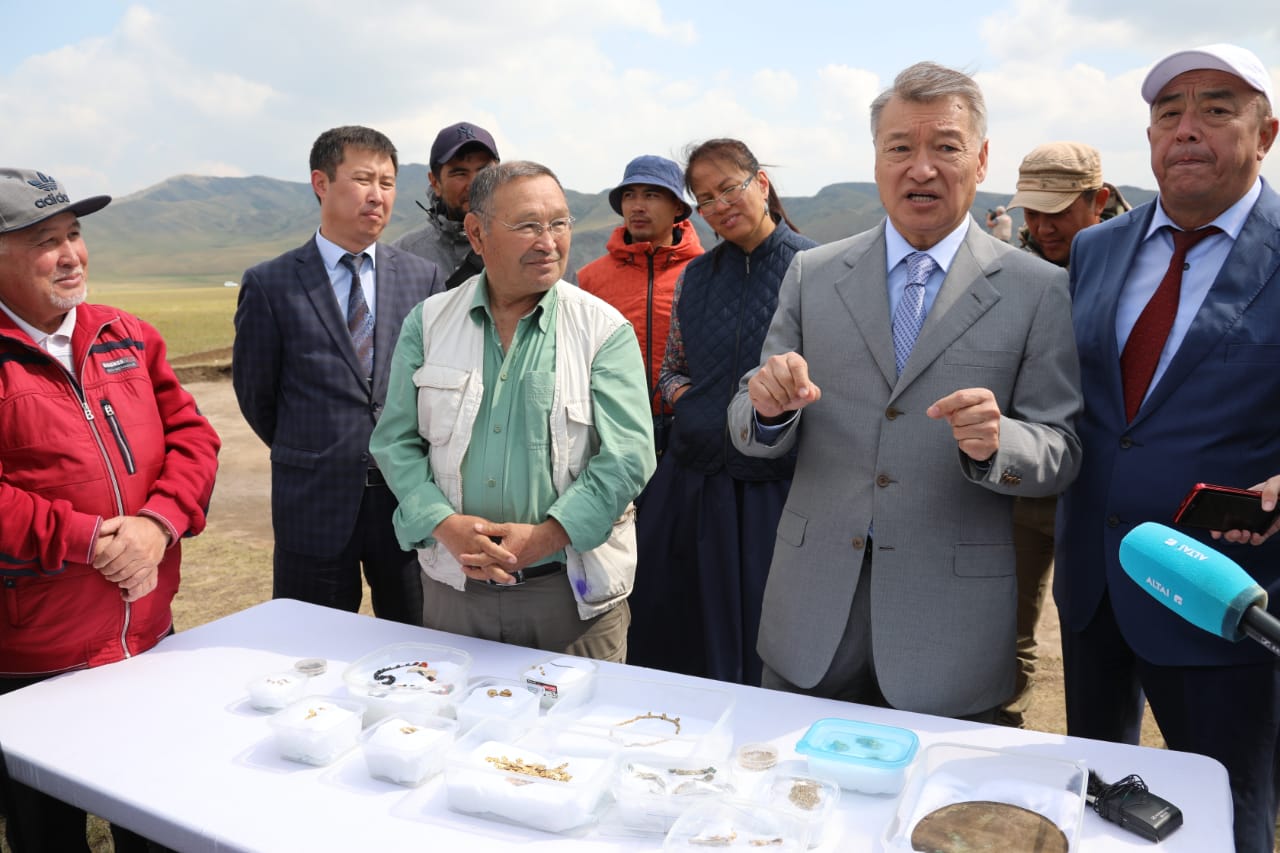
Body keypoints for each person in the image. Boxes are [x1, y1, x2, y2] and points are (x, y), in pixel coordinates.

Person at [726, 62, 1083, 720]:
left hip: (949, 629)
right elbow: (750, 419)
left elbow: (1060, 450)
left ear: (981, 160)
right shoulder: (813, 274)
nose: (921, 168)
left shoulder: (1036, 290)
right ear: (876, 159)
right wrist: (767, 409)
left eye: (945, 146)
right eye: (899, 147)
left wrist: (1000, 443)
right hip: (812, 616)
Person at [1056, 44, 1280, 853]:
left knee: (1228, 810)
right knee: (1096, 804)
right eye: (1168, 112)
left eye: (1216, 109)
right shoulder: (1096, 249)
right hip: (1093, 589)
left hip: (1222, 593)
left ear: (1266, 134)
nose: (1187, 129)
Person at [0, 168, 220, 851]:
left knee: (154, 822)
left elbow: (194, 438)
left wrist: (157, 525)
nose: (71, 255)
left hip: (146, 637)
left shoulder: (127, 335)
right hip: (34, 658)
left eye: (74, 234)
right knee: (47, 836)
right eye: (46, 241)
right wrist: (89, 538)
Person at [369, 161, 655, 661]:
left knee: (576, 714)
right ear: (477, 233)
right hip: (455, 591)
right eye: (527, 225)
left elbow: (628, 456)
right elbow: (396, 442)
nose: (548, 241)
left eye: (559, 223)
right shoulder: (429, 323)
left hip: (570, 595)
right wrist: (444, 524)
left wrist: (547, 537)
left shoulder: (603, 330)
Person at [626, 139, 817, 686]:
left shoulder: (817, 268)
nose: (719, 206)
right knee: (673, 633)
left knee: (768, 637)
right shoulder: (696, 276)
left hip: (777, 487)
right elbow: (669, 372)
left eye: (729, 188)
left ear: (761, 183)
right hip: (691, 480)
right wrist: (700, 406)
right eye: (705, 199)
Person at [233, 126, 442, 624]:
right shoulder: (272, 283)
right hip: (314, 503)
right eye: (363, 179)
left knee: (418, 642)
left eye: (387, 183)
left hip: (404, 499)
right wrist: (316, 448)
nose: (377, 195)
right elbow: (257, 396)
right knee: (311, 645)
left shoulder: (422, 278)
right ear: (321, 183)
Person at [995, 141, 1130, 729]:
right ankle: (1003, 731)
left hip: (1107, 492)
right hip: (1029, 483)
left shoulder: (1142, 270)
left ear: (1099, 200)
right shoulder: (1013, 273)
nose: (1043, 226)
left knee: (1111, 639)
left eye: (1058, 211)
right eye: (1031, 211)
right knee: (1006, 626)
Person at [577, 155, 703, 455]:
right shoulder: (590, 279)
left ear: (677, 207)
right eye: (629, 195)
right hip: (611, 433)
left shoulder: (704, 273)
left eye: (651, 195)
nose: (637, 206)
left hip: (691, 433)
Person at [393, 121, 499, 288]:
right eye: (460, 173)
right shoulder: (404, 256)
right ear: (435, 183)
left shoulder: (524, 243)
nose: (474, 184)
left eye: (484, 172)